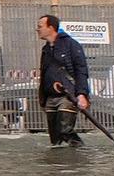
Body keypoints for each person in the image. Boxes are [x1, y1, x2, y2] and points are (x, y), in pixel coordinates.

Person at [36, 12, 92, 147]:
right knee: (55, 138)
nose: (37, 29)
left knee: (65, 130)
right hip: (50, 97)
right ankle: (59, 164)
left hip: (68, 95)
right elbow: (44, 74)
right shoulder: (46, 50)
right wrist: (42, 98)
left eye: (40, 26)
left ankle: (81, 153)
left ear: (51, 28)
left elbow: (81, 70)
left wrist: (82, 94)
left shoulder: (71, 45)